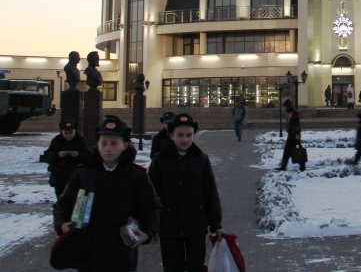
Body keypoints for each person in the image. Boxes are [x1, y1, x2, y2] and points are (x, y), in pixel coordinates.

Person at [53, 116, 161, 272]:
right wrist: (62, 224)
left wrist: (147, 232)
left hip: (122, 254)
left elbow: (151, 208)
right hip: (88, 254)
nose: (108, 148)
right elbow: (63, 204)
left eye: (113, 143)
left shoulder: (137, 176)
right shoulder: (83, 174)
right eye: (103, 143)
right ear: (97, 145)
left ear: (124, 145)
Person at [148, 113, 225, 272]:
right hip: (169, 225)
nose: (184, 139)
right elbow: (150, 196)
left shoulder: (201, 160)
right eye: (180, 135)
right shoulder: (160, 161)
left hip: (196, 224)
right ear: (171, 136)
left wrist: (216, 224)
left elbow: (210, 193)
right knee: (172, 267)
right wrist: (152, 225)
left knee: (196, 267)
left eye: (188, 135)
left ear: (194, 136)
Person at [42, 120, 90, 198]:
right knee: (61, 198)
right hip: (60, 177)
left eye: (71, 133)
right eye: (66, 133)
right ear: (62, 132)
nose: (68, 135)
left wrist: (79, 155)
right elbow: (47, 156)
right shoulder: (56, 141)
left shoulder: (80, 141)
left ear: (75, 131)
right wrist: (57, 154)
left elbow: (88, 157)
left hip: (76, 176)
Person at [278, 99, 305, 171]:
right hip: (291, 134)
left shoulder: (294, 113)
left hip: (294, 135)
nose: (285, 108)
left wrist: (297, 133)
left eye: (286, 107)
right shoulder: (290, 113)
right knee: (288, 151)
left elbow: (297, 123)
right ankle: (284, 166)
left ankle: (302, 165)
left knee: (297, 150)